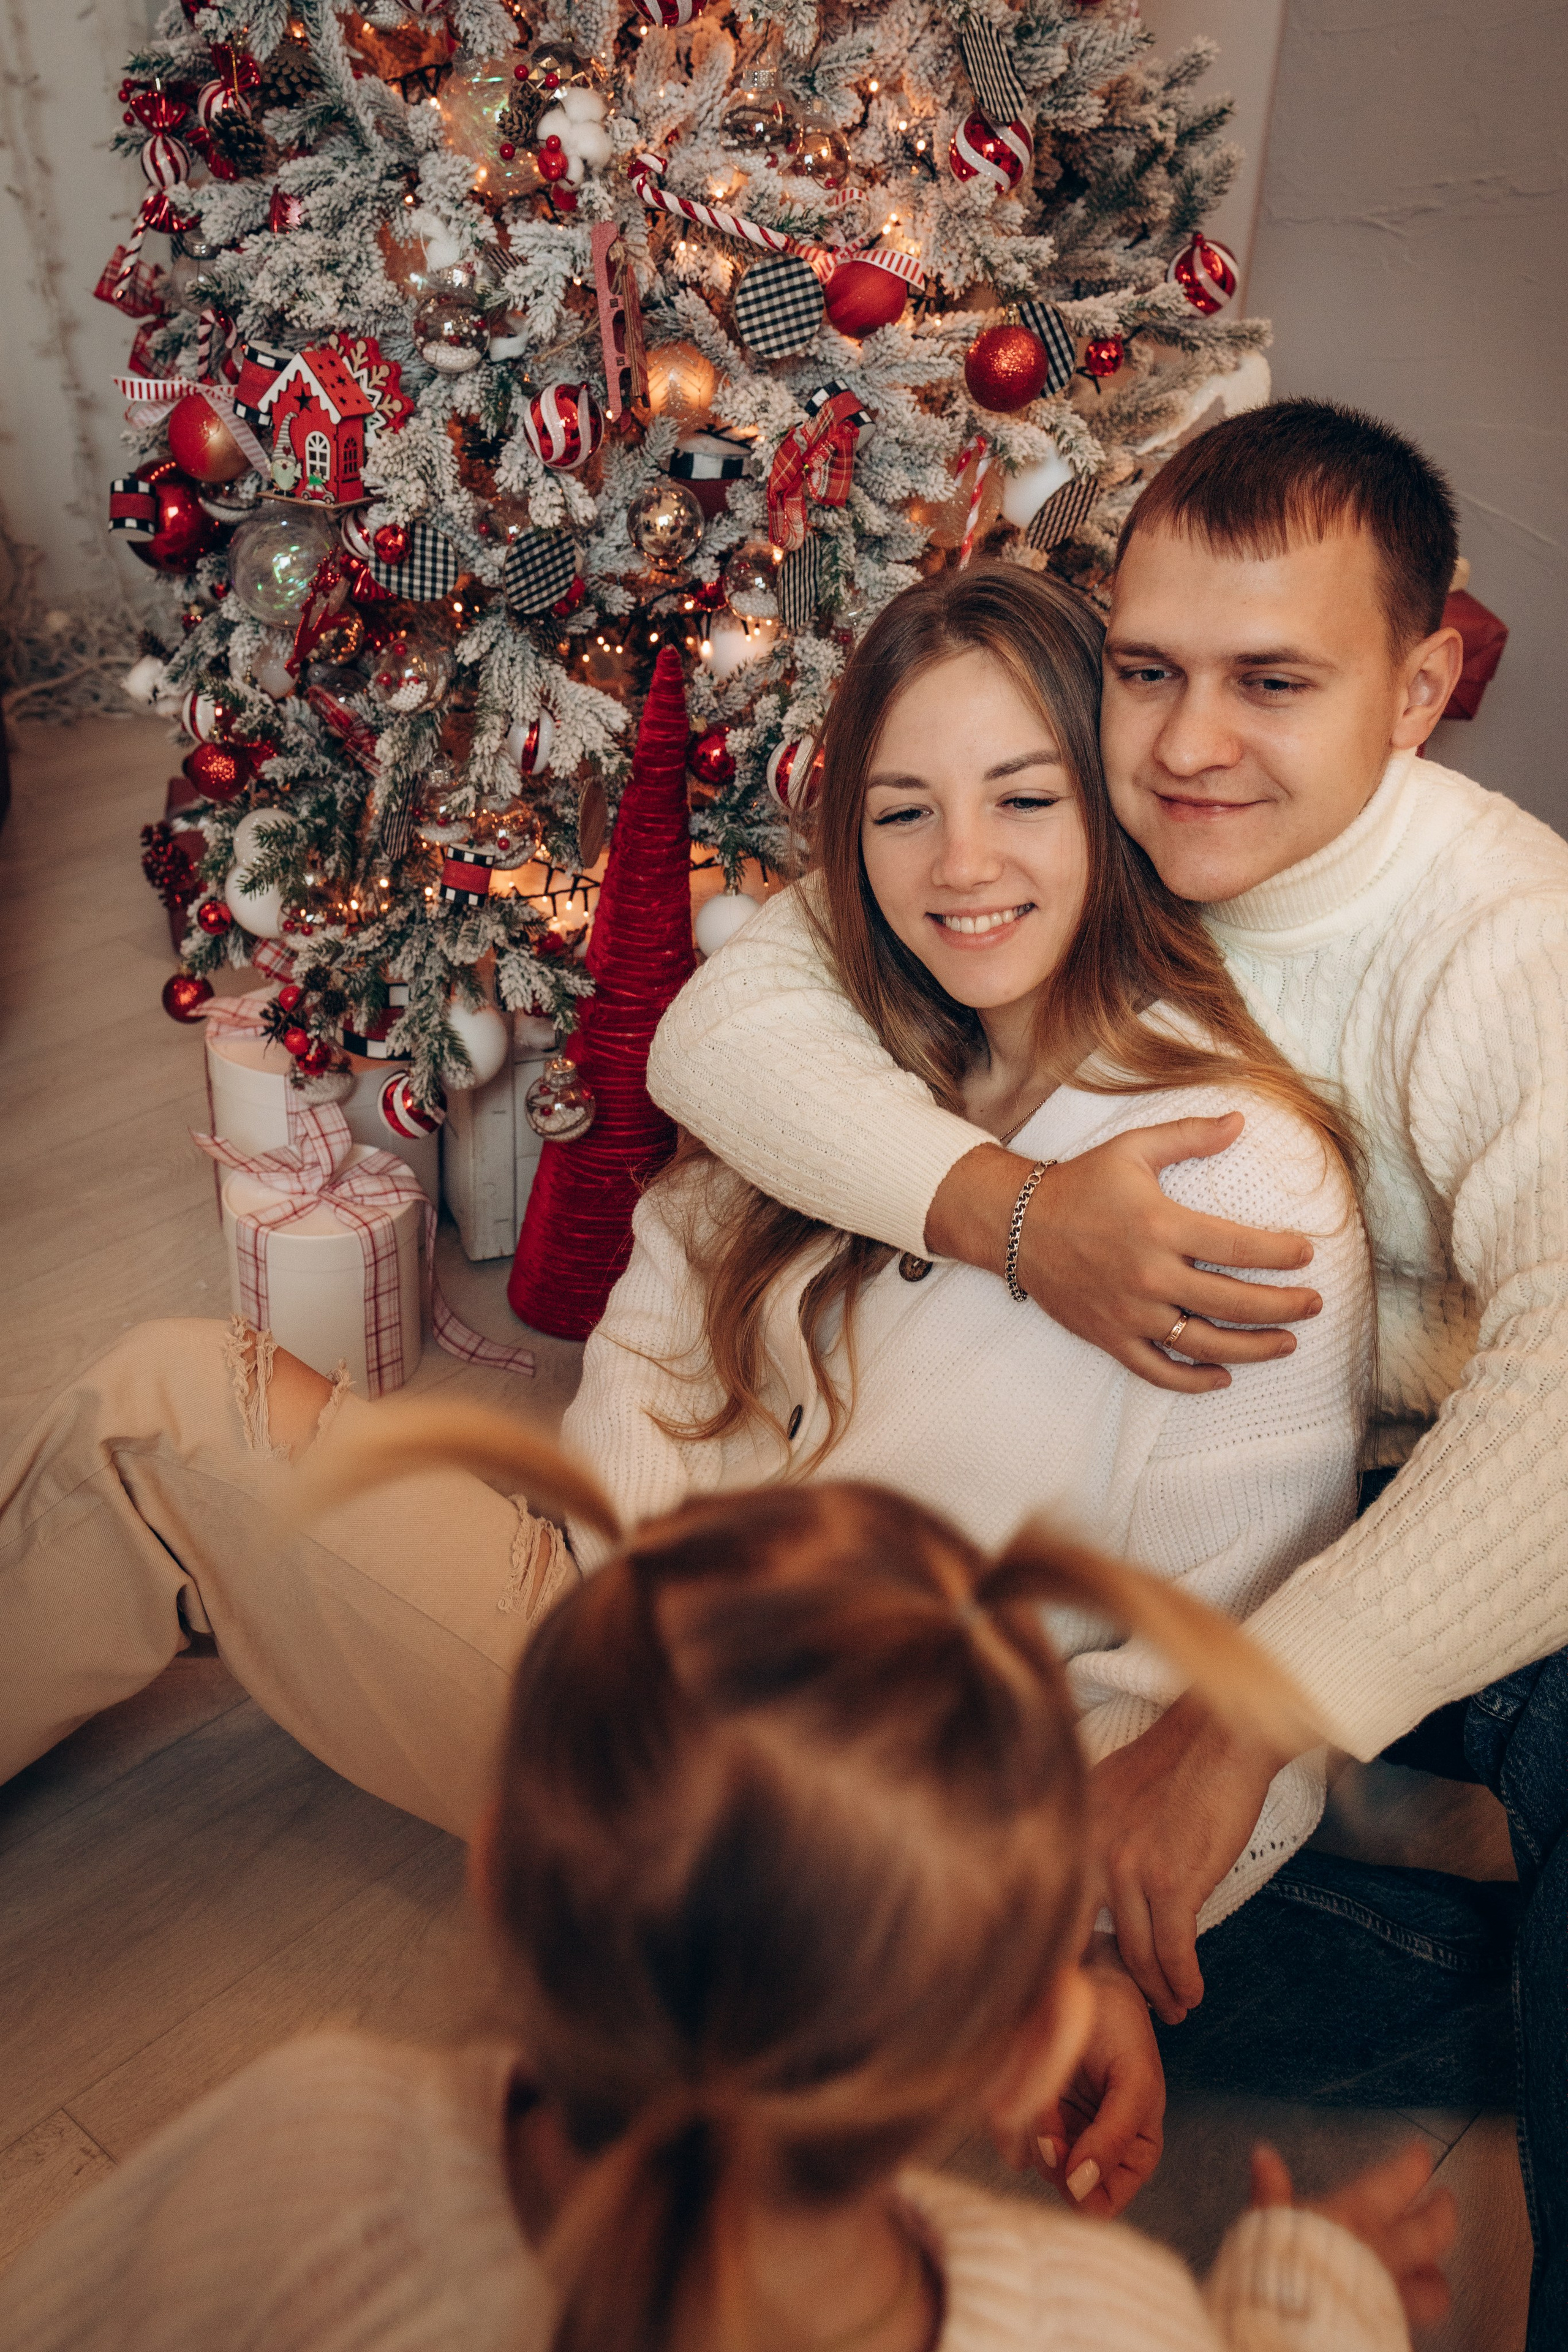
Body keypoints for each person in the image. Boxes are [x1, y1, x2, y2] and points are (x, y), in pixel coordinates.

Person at [0, 565, 1384, 2209]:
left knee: (167, 1422)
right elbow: (655, 1349)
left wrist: (1060, 1941)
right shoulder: (844, 1057)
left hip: (857, 1849)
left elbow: (1213, 1643)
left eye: (1026, 797)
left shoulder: (1249, 1177)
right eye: (903, 812)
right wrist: (639, 1633)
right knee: (175, 1401)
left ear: (1114, 807)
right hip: (643, 1683)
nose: (964, 866)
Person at [645, 400, 1568, 2340]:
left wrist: (1248, 1716)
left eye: (1273, 683)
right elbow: (732, 1017)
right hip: (1239, 1427)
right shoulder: (1083, 814)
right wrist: (1003, 1208)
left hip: (1471, 1455)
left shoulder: (1503, 943)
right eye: (1147, 670)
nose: (1185, 745)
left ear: (1418, 691)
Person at [0, 1433, 1455, 2352]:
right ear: (1029, 2050)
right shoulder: (1103, 2318)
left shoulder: (300, 2139)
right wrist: (1301, 2303)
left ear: (498, 1874)